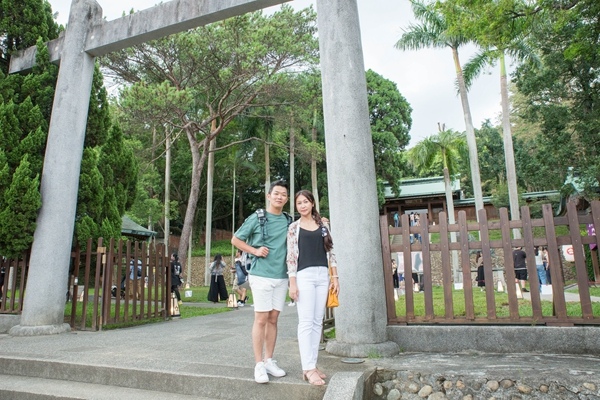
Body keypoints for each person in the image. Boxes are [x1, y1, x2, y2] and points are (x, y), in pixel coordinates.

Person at [231, 179, 290, 384]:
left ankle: (269, 361)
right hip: (261, 275)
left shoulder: (288, 220)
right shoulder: (257, 218)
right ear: (269, 195)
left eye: (283, 194)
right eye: (276, 193)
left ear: (287, 198)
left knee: (273, 319)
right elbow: (236, 239)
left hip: (281, 276)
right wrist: (255, 250)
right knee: (261, 319)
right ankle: (258, 365)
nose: (279, 197)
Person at [286, 189, 339, 386]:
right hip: (304, 276)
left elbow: (331, 252)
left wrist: (335, 277)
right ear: (297, 206)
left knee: (318, 322)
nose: (303, 205)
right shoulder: (294, 227)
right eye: (299, 203)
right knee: (306, 322)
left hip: (322, 275)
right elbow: (291, 257)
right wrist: (292, 283)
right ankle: (307, 368)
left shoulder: (323, 225)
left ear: (312, 203)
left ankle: (313, 364)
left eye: (306, 202)